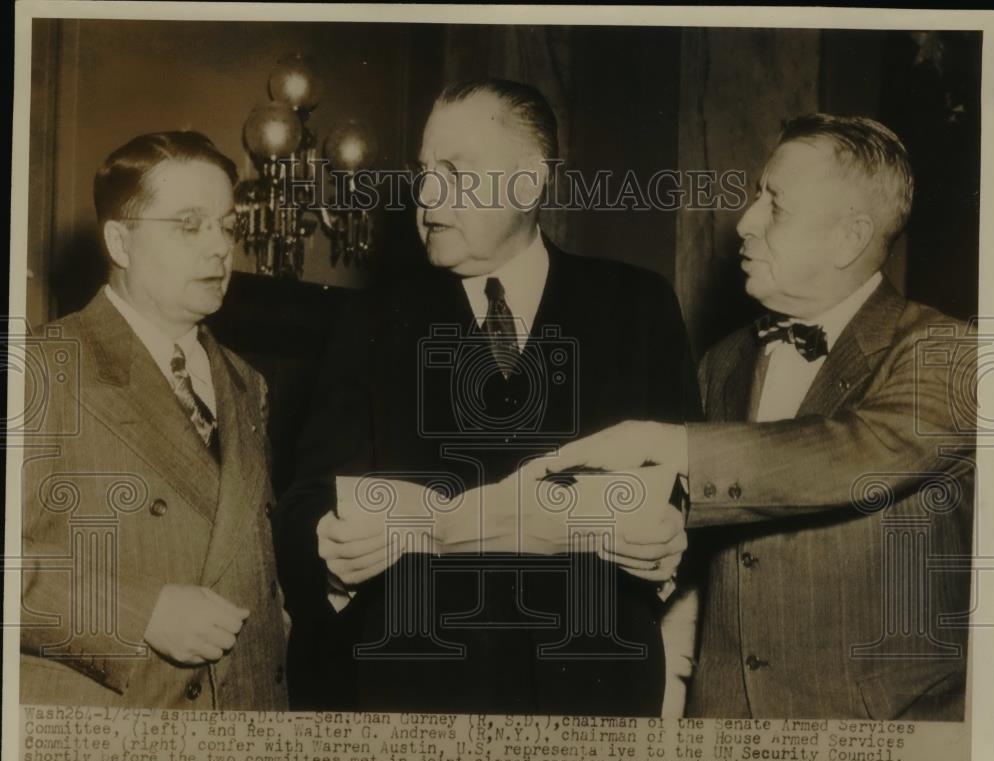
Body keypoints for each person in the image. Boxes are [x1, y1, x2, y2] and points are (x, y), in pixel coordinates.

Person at [520, 114, 975, 720]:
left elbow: (859, 450)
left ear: (849, 238)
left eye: (774, 205)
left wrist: (668, 444)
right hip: (724, 735)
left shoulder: (949, 352)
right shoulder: (724, 361)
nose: (745, 222)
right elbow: (700, 549)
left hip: (883, 740)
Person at [277, 78, 701, 714]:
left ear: (528, 184)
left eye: (454, 172)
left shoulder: (637, 307)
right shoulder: (370, 323)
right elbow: (306, 497)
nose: (426, 196)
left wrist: (671, 536)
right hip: (414, 697)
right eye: (424, 172)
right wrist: (329, 548)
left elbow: (688, 486)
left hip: (593, 696)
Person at [20, 131, 289, 710]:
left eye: (227, 226)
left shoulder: (247, 384)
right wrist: (140, 613)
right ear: (120, 241)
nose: (219, 248)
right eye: (189, 225)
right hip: (119, 732)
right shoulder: (42, 367)